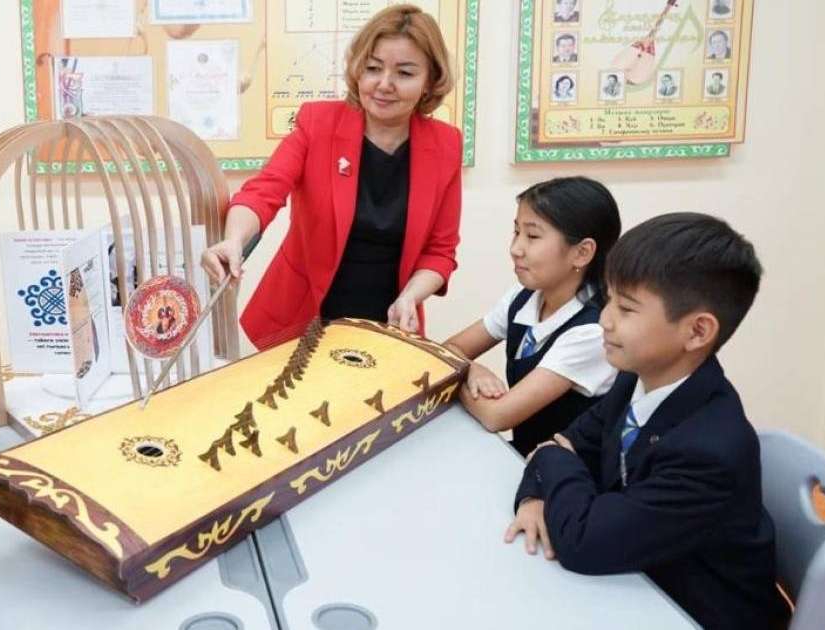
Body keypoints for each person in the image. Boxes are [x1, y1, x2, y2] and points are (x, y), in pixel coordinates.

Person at [504, 213, 791, 630]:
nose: (604, 319)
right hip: (638, 580)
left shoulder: (709, 452)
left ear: (697, 332)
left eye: (626, 308)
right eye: (609, 300)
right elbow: (569, 441)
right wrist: (534, 496)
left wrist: (549, 461)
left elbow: (582, 540)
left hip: (695, 613)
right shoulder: (634, 379)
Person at [200, 4, 462, 349]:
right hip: (304, 317)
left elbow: (440, 251)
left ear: (429, 82)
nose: (384, 84)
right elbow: (263, 192)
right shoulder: (318, 123)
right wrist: (234, 240)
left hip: (389, 324)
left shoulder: (445, 145)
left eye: (404, 73)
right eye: (372, 68)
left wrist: (410, 296)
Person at [443, 177, 620, 455]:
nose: (515, 249)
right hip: (524, 457)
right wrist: (472, 370)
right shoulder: (524, 295)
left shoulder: (593, 332)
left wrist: (456, 374)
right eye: (516, 232)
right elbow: (449, 349)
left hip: (569, 471)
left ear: (582, 252)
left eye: (533, 236)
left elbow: (497, 416)